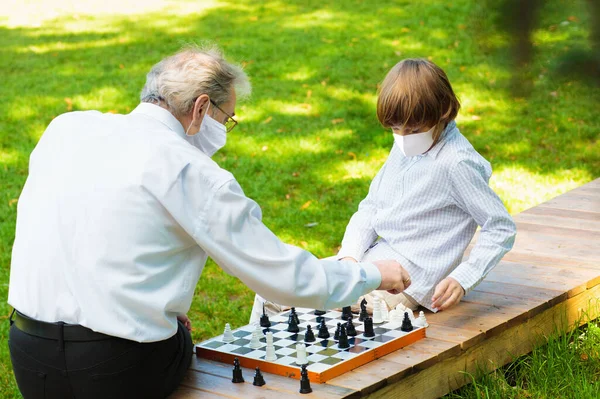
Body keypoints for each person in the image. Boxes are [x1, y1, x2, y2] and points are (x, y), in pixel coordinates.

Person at [7, 45, 411, 399]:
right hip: (119, 368)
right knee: (175, 336)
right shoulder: (192, 171)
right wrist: (372, 274)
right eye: (228, 118)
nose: (225, 130)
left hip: (28, 354)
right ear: (201, 108)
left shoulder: (66, 129)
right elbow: (285, 279)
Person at [337, 58, 517, 314]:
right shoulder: (409, 141)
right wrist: (349, 256)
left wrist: (464, 278)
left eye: (412, 130)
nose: (402, 138)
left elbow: (500, 226)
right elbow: (372, 206)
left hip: (407, 283)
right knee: (282, 289)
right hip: (376, 262)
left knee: (304, 298)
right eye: (395, 129)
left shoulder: (456, 164)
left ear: (442, 111)